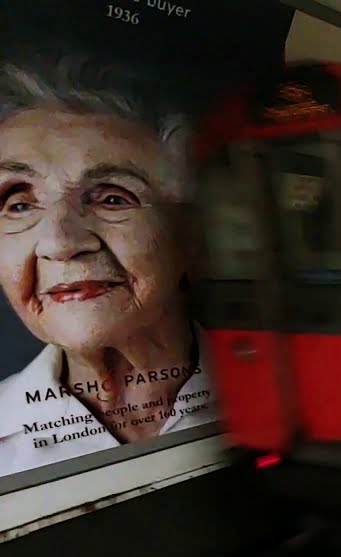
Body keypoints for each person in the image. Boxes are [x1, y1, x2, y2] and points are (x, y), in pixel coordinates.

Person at [0, 54, 217, 477]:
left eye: (112, 197)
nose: (60, 244)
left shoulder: (280, 392)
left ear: (190, 234)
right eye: (19, 204)